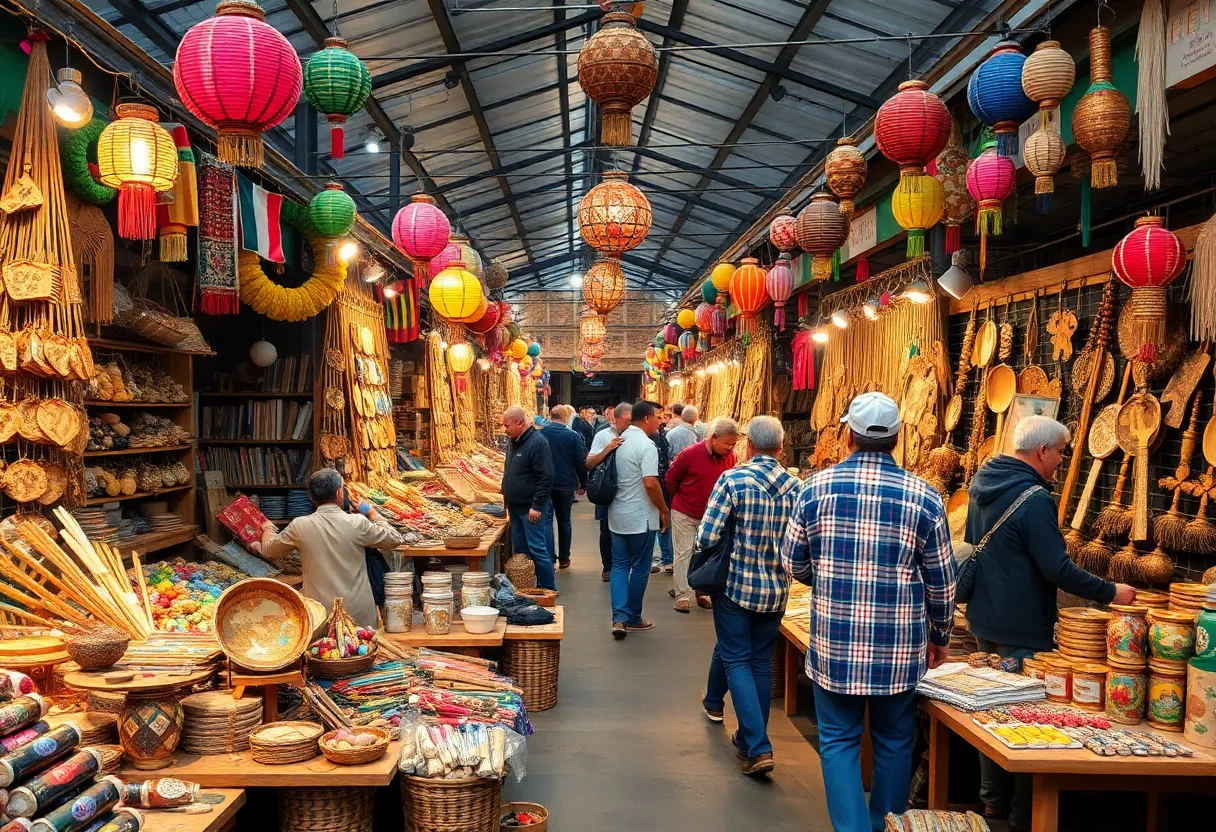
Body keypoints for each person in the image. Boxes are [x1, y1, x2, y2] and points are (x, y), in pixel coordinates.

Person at [783, 392, 955, 829]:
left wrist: (825, 580)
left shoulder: (814, 488)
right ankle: (886, 824)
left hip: (835, 641)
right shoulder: (925, 497)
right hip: (897, 648)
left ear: (848, 436)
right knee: (895, 742)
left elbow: (792, 560)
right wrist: (940, 636)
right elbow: (942, 580)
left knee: (838, 741)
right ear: (897, 439)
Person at [965, 415, 1136, 831]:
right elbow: (1057, 568)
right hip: (1022, 625)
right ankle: (1026, 815)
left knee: (990, 712)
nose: (1060, 460)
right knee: (1027, 721)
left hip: (984, 617)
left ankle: (992, 802)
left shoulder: (982, 484)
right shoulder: (1035, 499)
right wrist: (1111, 591)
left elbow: (976, 545)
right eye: (1059, 452)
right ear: (1042, 451)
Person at [696, 416, 800, 776]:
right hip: (777, 590)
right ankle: (748, 738)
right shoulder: (796, 486)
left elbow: (707, 536)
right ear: (781, 448)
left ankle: (758, 746)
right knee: (758, 661)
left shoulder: (733, 479)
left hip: (737, 587)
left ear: (748, 446)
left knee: (737, 659)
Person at [254, 468, 404, 629]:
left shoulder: (300, 525)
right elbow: (395, 539)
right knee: (362, 651)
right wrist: (372, 513)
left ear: (311, 497)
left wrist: (268, 529)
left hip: (319, 614)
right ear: (340, 493)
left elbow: (269, 551)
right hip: (358, 614)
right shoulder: (357, 523)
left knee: (322, 651)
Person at [608, 400, 669, 639]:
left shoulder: (619, 442)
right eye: (658, 416)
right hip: (640, 517)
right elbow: (650, 482)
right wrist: (664, 509)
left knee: (620, 566)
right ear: (646, 418)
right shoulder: (646, 445)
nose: (660, 421)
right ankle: (632, 617)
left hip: (617, 514)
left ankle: (619, 618)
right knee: (640, 567)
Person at [666, 417, 737, 612]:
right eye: (727, 444)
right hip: (685, 512)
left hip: (713, 517)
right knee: (684, 553)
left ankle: (702, 591)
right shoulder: (689, 454)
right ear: (714, 438)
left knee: (708, 553)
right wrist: (681, 499)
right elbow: (671, 480)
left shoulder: (730, 457)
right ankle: (682, 594)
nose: (730, 448)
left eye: (733, 444)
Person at [501, 406, 556, 591]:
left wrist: (537, 505)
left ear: (520, 423)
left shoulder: (537, 442)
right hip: (516, 509)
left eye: (507, 425)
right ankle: (526, 588)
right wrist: (506, 501)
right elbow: (508, 472)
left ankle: (548, 588)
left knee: (538, 550)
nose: (505, 429)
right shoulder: (513, 442)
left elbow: (546, 476)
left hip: (530, 509)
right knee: (522, 554)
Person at [587, 403, 631, 582]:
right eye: (627, 421)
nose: (630, 424)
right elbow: (589, 463)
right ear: (616, 418)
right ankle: (608, 566)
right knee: (606, 528)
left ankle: (625, 565)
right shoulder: (603, 435)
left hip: (629, 492)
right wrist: (608, 449)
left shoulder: (637, 436)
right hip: (607, 489)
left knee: (628, 529)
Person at [541, 405, 587, 570]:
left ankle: (549, 558)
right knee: (564, 519)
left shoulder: (540, 434)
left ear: (550, 417)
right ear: (565, 418)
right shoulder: (572, 436)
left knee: (546, 521)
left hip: (544, 484)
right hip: (566, 483)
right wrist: (583, 482)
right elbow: (579, 462)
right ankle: (564, 558)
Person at [651, 402, 674, 574]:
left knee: (663, 520)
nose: (662, 420)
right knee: (655, 520)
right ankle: (653, 559)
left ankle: (666, 558)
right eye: (658, 417)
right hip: (652, 482)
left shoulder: (660, 433)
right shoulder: (648, 437)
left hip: (662, 481)